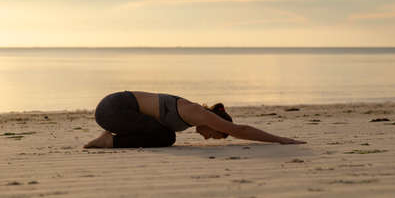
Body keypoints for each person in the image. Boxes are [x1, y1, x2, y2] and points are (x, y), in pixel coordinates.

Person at [84, 90, 306, 148]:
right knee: (165, 137)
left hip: (117, 109)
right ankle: (108, 141)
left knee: (165, 135)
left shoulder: (192, 115)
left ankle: (111, 139)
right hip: (113, 109)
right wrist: (281, 139)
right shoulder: (199, 114)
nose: (209, 138)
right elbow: (241, 130)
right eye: (216, 135)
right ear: (214, 124)